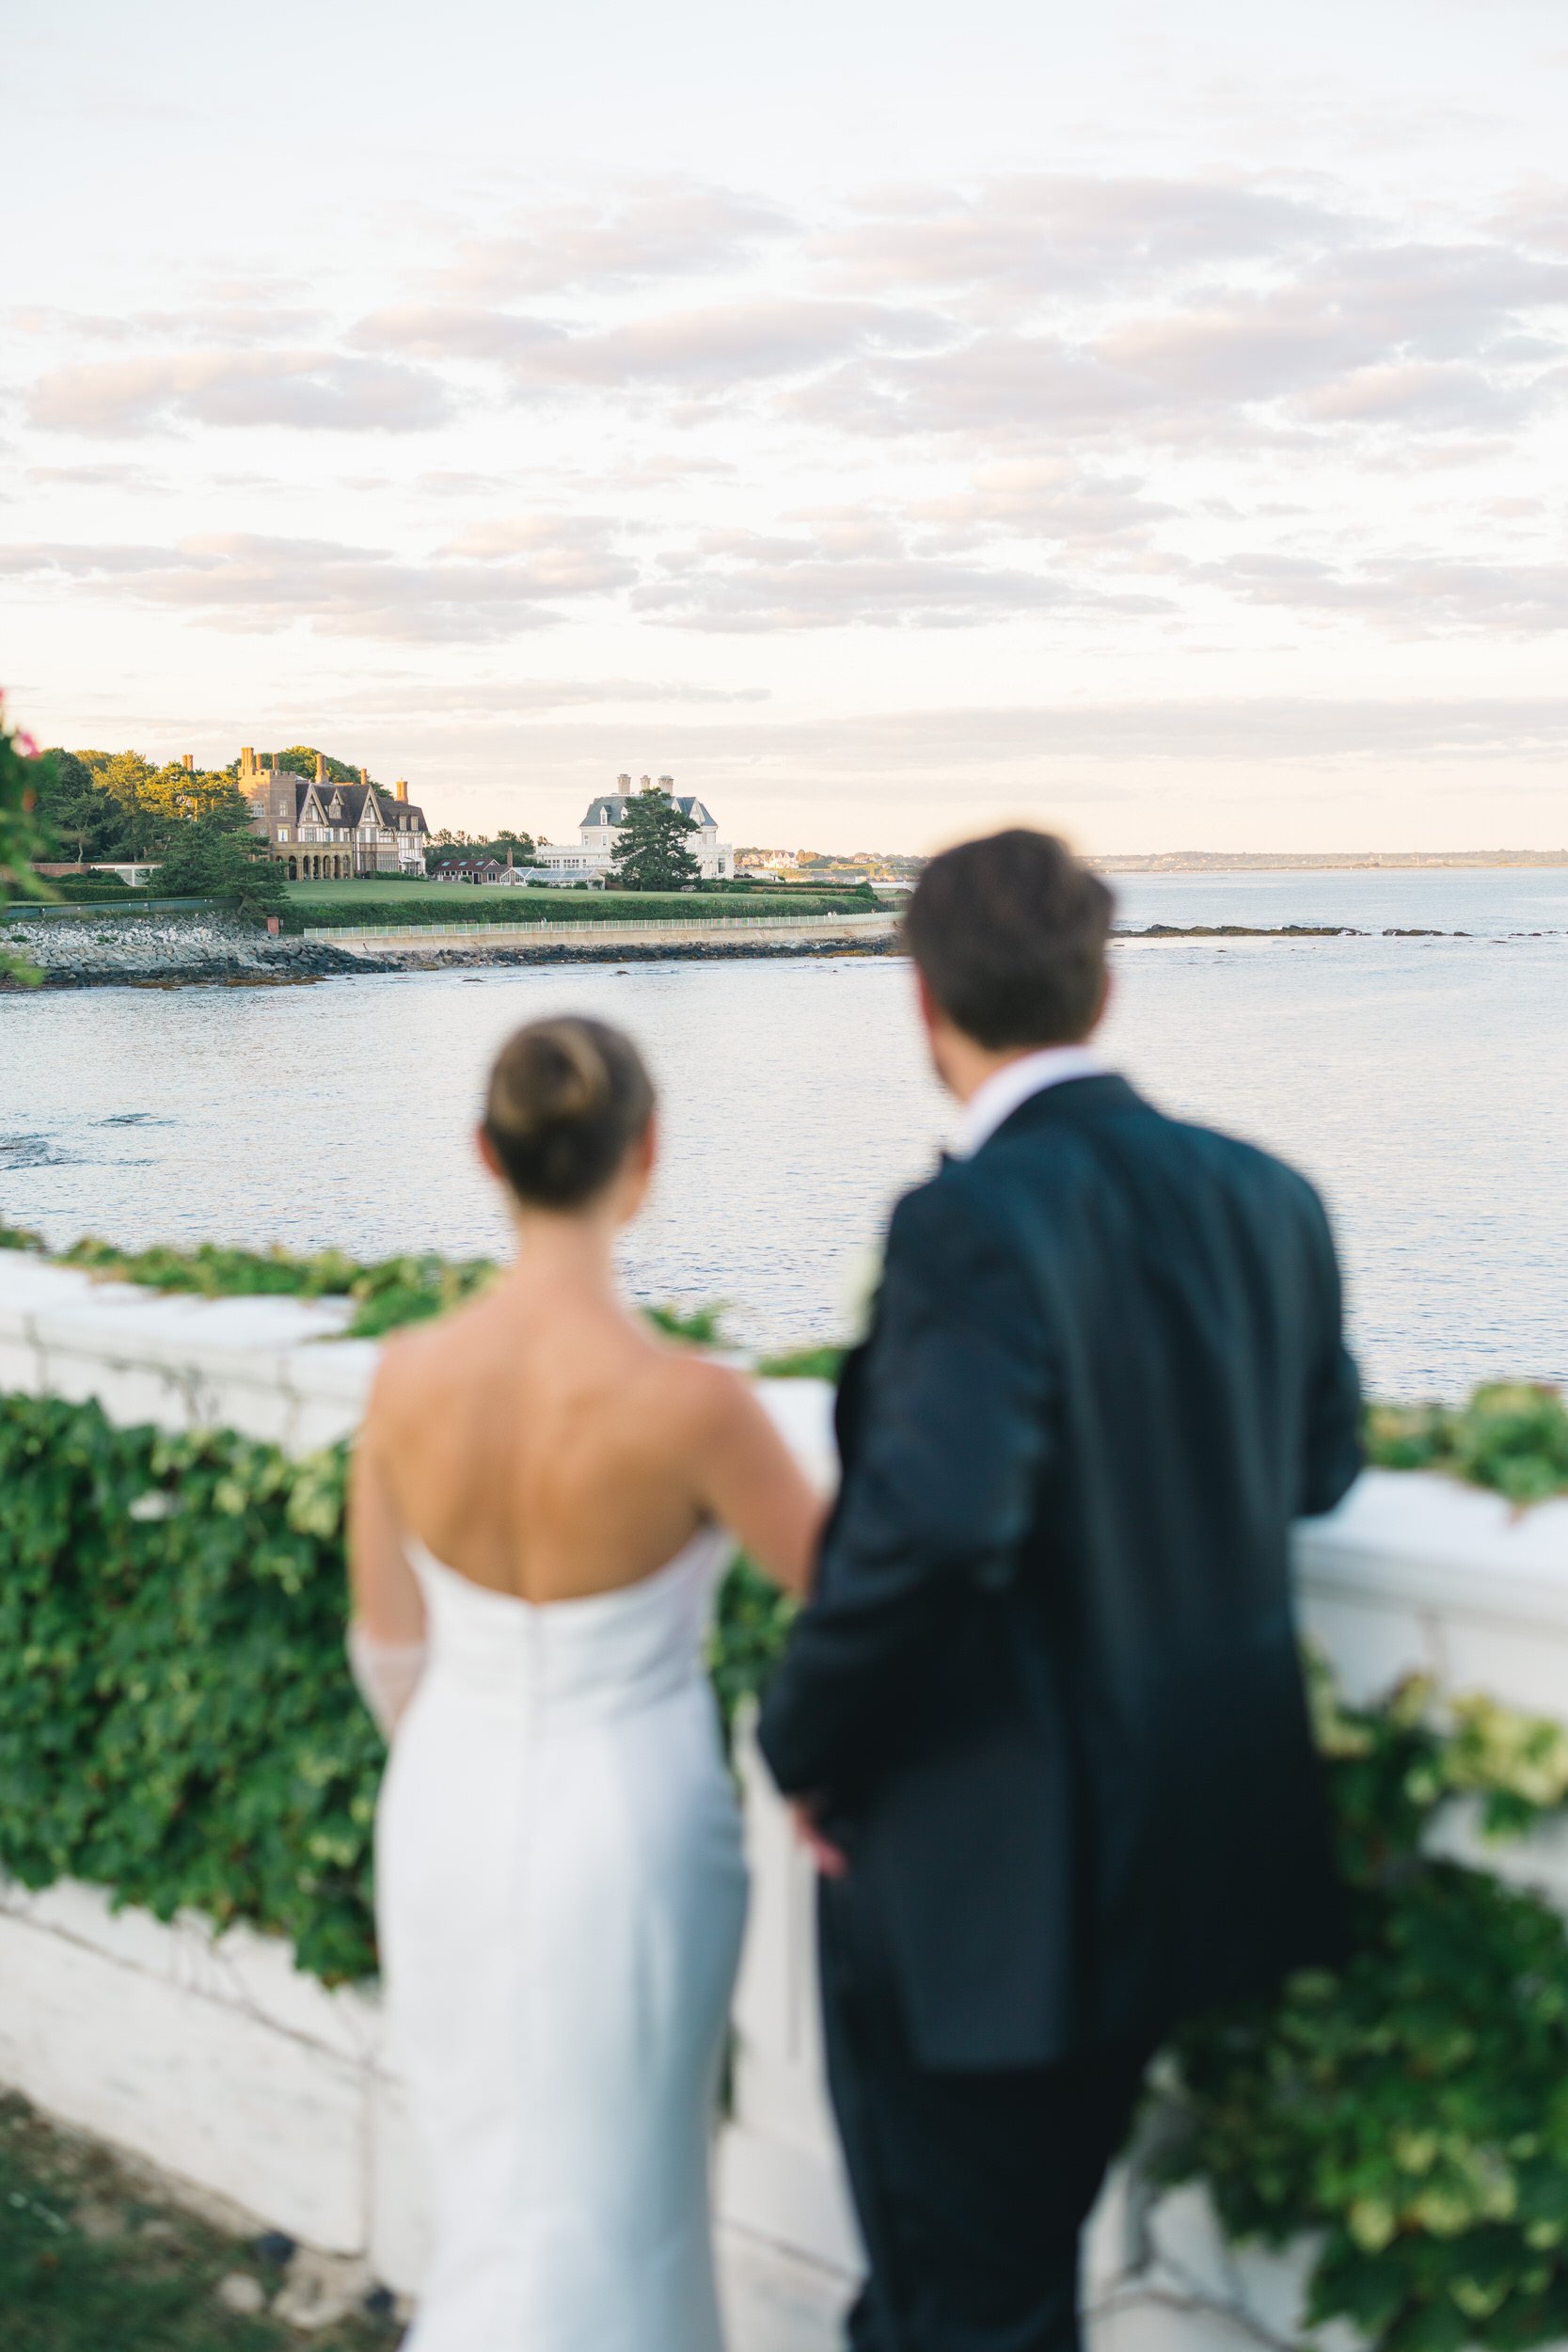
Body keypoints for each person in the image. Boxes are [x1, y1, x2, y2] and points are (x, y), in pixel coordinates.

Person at [758, 830, 1363, 2352]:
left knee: (951, 2307)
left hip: (988, 1878)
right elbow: (1318, 1465)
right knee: (1009, 2282)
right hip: (1188, 1848)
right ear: (1100, 985)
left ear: (922, 997)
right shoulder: (1268, 1196)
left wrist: (808, 1747)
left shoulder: (964, 1220)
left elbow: (935, 1530)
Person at [347, 1015, 822, 2352]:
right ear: (646, 1156)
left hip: (444, 1807)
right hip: (633, 1829)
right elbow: (857, 1600)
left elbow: (388, 1650)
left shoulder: (405, 1380)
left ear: (484, 1155)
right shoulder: (693, 1406)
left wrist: (470, 1761)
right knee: (627, 2199)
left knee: (486, 2184)